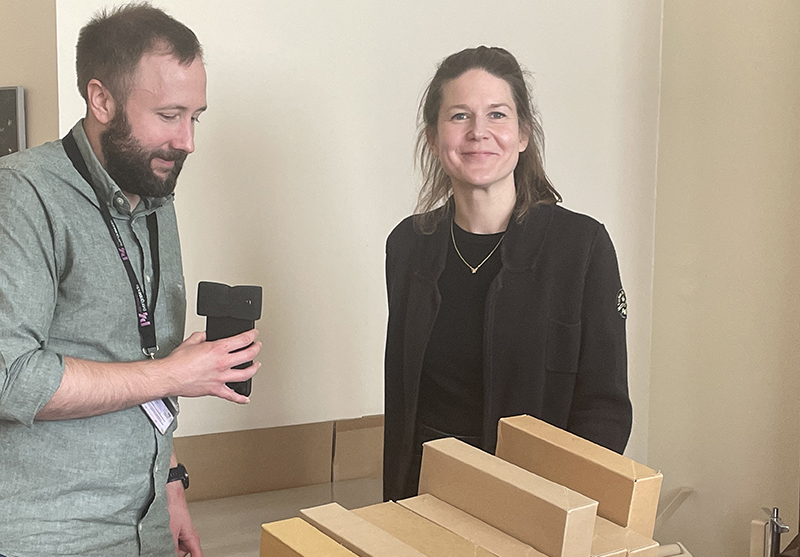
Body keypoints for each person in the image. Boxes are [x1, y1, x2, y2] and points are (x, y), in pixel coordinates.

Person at [0, 4, 261, 556]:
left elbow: (141, 351)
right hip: (47, 533)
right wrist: (174, 373)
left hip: (145, 521)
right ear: (101, 100)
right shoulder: (20, 195)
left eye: (195, 117)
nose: (187, 141)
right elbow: (11, 378)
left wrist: (171, 485)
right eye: (168, 115)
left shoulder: (154, 190)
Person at [383, 46, 632, 501]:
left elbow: (605, 408)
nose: (478, 132)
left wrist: (560, 510)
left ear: (523, 135)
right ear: (434, 137)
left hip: (537, 500)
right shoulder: (408, 245)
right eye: (459, 116)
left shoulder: (581, 246)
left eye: (497, 115)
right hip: (425, 497)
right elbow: (404, 403)